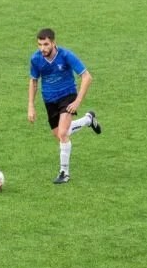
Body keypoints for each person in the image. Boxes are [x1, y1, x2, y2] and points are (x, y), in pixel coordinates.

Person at [28, 29, 101, 184]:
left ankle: (64, 173)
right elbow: (33, 81)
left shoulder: (66, 56)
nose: (43, 48)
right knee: (60, 133)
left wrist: (77, 101)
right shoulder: (36, 59)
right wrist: (31, 106)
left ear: (54, 43)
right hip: (49, 100)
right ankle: (88, 120)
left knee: (62, 133)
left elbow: (87, 77)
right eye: (40, 44)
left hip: (67, 96)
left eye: (46, 44)